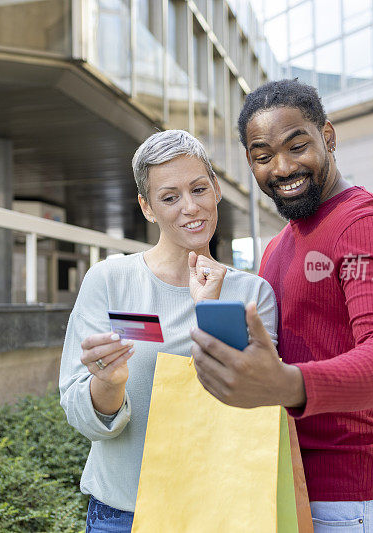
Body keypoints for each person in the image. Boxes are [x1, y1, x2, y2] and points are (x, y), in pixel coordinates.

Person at [190, 79, 373, 532]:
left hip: (362, 498)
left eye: (297, 146)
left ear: (328, 137)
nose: (282, 167)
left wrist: (287, 383)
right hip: (294, 488)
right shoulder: (278, 247)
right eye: (263, 157)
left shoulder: (365, 224)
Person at [59, 129, 278, 533]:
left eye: (199, 189)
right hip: (122, 514)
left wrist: (206, 310)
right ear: (147, 207)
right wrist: (108, 385)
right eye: (170, 197)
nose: (190, 207)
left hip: (221, 512)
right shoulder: (109, 281)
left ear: (215, 188)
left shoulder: (253, 293)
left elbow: (257, 400)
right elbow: (78, 410)